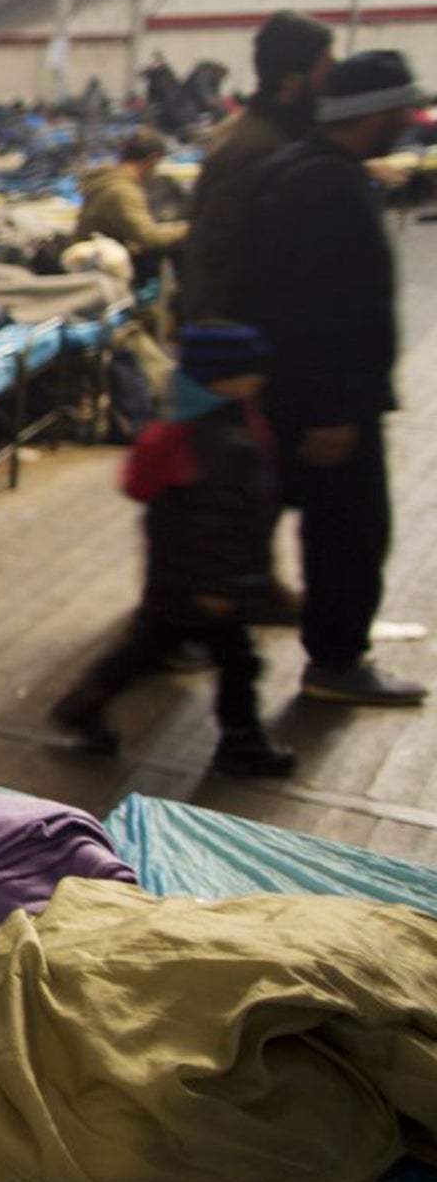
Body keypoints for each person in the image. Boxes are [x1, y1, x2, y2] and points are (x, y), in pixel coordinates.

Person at [234, 50, 428, 707]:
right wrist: (335, 409)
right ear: (374, 114)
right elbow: (326, 308)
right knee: (349, 531)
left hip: (288, 384)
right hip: (325, 397)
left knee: (300, 518)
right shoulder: (330, 187)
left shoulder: (291, 168)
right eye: (401, 107)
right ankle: (338, 660)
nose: (410, 117)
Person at [49, 325, 296, 776]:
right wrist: (223, 585)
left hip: (179, 577)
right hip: (208, 582)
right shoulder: (219, 439)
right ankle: (241, 742)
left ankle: (84, 704)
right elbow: (214, 522)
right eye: (249, 373)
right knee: (236, 662)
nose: (259, 379)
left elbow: (148, 492)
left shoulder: (187, 423)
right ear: (223, 380)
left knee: (147, 649)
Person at [181, 11, 335, 323]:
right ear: (291, 82)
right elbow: (216, 253)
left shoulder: (263, 134)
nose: (329, 83)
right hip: (241, 332)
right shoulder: (254, 149)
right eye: (325, 68)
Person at [73, 128, 186, 283]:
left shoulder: (108, 181)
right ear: (154, 158)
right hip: (108, 271)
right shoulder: (122, 191)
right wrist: (191, 228)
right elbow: (150, 238)